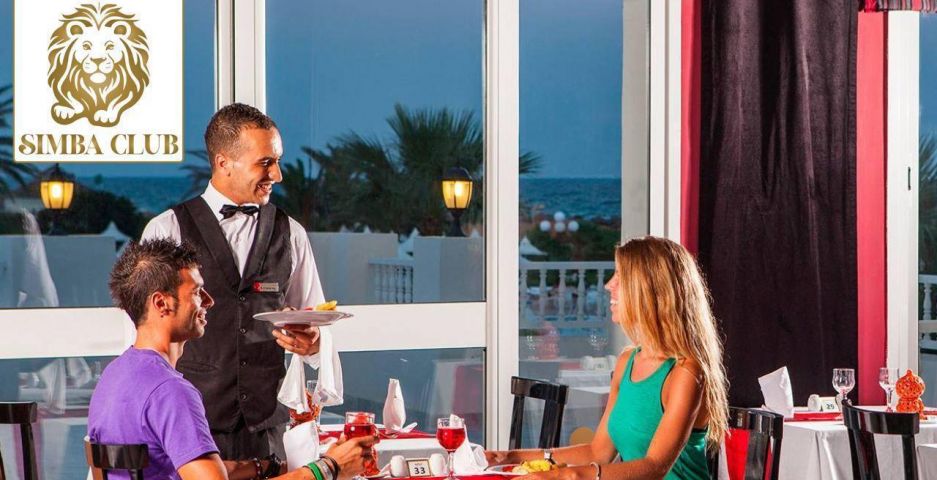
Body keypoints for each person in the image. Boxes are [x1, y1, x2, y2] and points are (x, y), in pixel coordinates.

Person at [88, 238, 374, 479]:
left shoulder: (115, 375)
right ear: (161, 303)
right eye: (197, 292)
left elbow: (194, 469)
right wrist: (328, 468)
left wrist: (269, 467)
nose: (209, 301)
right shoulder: (170, 391)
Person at [141, 103, 333, 460]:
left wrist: (313, 344)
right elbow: (141, 341)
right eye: (265, 162)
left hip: (268, 431)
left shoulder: (291, 233)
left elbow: (315, 323)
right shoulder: (166, 230)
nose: (277, 175)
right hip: (189, 429)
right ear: (223, 162)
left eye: (277, 161)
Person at [486, 236, 728, 479]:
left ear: (650, 290)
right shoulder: (627, 361)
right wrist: (510, 457)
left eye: (621, 277)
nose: (608, 285)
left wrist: (568, 476)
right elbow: (598, 452)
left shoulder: (685, 372)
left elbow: (654, 467)